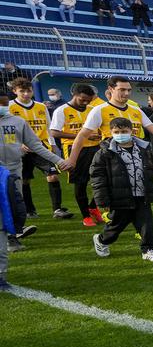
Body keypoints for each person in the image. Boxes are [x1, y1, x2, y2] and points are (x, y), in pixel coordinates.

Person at [89, 117, 153, 262]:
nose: (120, 134)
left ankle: (148, 249)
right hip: (120, 196)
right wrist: (102, 199)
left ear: (132, 131)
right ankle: (102, 240)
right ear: (110, 132)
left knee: (146, 224)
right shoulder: (105, 153)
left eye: (124, 131)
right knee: (116, 226)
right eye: (116, 131)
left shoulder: (143, 149)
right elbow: (97, 178)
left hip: (142, 195)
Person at [1, 101, 69, 257]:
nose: (3, 106)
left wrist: (58, 160)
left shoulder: (18, 122)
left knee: (14, 203)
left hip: (14, 169)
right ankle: (10, 236)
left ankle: (13, 235)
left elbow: (36, 145)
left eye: (4, 103)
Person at [67, 76, 153, 166]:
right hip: (112, 160)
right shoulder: (99, 110)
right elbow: (82, 135)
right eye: (122, 90)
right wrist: (72, 160)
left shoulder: (136, 110)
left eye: (129, 90)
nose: (127, 93)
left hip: (136, 157)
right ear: (111, 89)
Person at [7, 79, 71, 220]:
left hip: (41, 146)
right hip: (20, 148)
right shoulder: (9, 107)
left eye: (28, 90)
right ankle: (30, 210)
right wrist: (18, 144)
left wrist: (53, 144)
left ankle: (58, 209)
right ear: (14, 91)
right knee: (24, 180)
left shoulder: (41, 106)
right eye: (22, 91)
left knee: (53, 175)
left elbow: (48, 127)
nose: (26, 94)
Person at [49, 84, 102, 226]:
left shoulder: (93, 110)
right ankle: (86, 216)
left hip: (96, 148)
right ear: (75, 95)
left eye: (88, 100)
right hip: (74, 149)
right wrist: (80, 136)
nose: (85, 103)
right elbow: (54, 132)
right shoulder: (62, 110)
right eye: (82, 100)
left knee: (103, 180)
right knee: (81, 183)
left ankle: (93, 207)